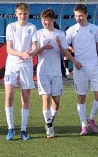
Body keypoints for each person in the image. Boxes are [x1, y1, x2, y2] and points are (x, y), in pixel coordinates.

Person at [33, 9, 81, 138]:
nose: (44, 22)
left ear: (52, 20)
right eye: (42, 19)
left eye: (47, 19)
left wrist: (60, 45)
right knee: (46, 97)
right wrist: (42, 47)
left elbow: (65, 53)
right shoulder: (38, 33)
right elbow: (34, 51)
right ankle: (49, 127)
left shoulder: (60, 34)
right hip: (42, 71)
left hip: (56, 72)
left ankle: (50, 120)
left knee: (56, 101)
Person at [66, 4, 98, 135]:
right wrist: (74, 62)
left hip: (94, 67)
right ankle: (83, 125)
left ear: (86, 15)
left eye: (81, 16)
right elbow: (65, 49)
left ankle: (91, 118)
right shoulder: (71, 30)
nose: (78, 18)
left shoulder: (94, 28)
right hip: (79, 68)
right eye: (76, 16)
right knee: (81, 97)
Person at [4, 3, 38, 141]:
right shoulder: (11, 27)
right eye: (20, 13)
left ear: (28, 13)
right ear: (16, 14)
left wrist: (29, 53)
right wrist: (21, 54)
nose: (22, 16)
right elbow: (9, 49)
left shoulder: (32, 27)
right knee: (9, 95)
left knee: (25, 97)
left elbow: (35, 47)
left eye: (24, 14)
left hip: (26, 65)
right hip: (12, 65)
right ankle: (10, 128)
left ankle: (23, 129)